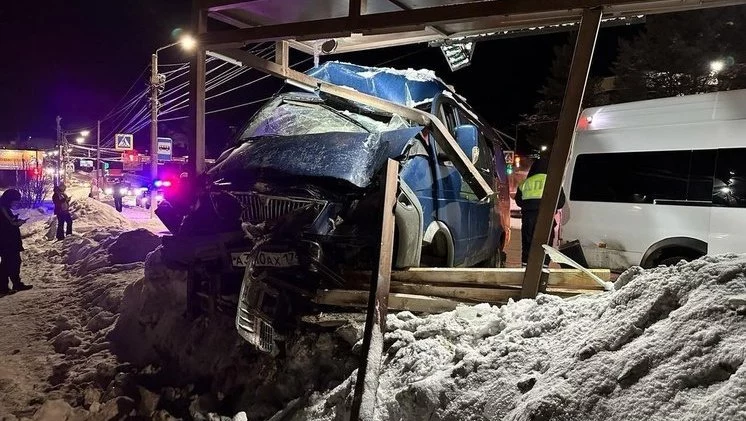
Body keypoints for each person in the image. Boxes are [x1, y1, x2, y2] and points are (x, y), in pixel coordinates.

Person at [514, 155, 566, 266]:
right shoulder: (554, 182)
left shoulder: (525, 183)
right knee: (546, 245)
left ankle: (525, 268)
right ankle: (543, 269)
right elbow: (561, 202)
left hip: (528, 219)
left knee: (527, 244)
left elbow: (518, 201)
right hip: (546, 219)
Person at [0, 189, 33, 295]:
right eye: (15, 201)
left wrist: (15, 220)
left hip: (9, 241)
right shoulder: (2, 209)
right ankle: (4, 287)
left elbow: (8, 221)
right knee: (8, 263)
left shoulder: (4, 208)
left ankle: (14, 283)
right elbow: (7, 224)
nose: (16, 203)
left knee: (13, 262)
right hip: (7, 241)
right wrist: (16, 223)